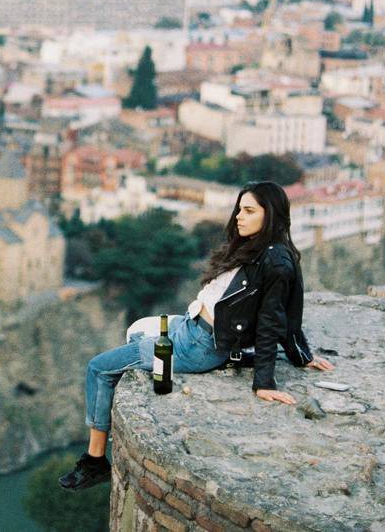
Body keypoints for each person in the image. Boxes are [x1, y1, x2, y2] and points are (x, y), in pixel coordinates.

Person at [58, 180, 336, 491]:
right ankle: (149, 374)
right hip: (188, 326)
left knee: (99, 367)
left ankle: (94, 461)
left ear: (270, 215)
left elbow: (276, 318)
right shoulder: (253, 247)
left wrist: (266, 381)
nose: (238, 217)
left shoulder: (275, 262)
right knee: (136, 328)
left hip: (198, 346)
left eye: (248, 211)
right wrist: (301, 355)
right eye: (238, 210)